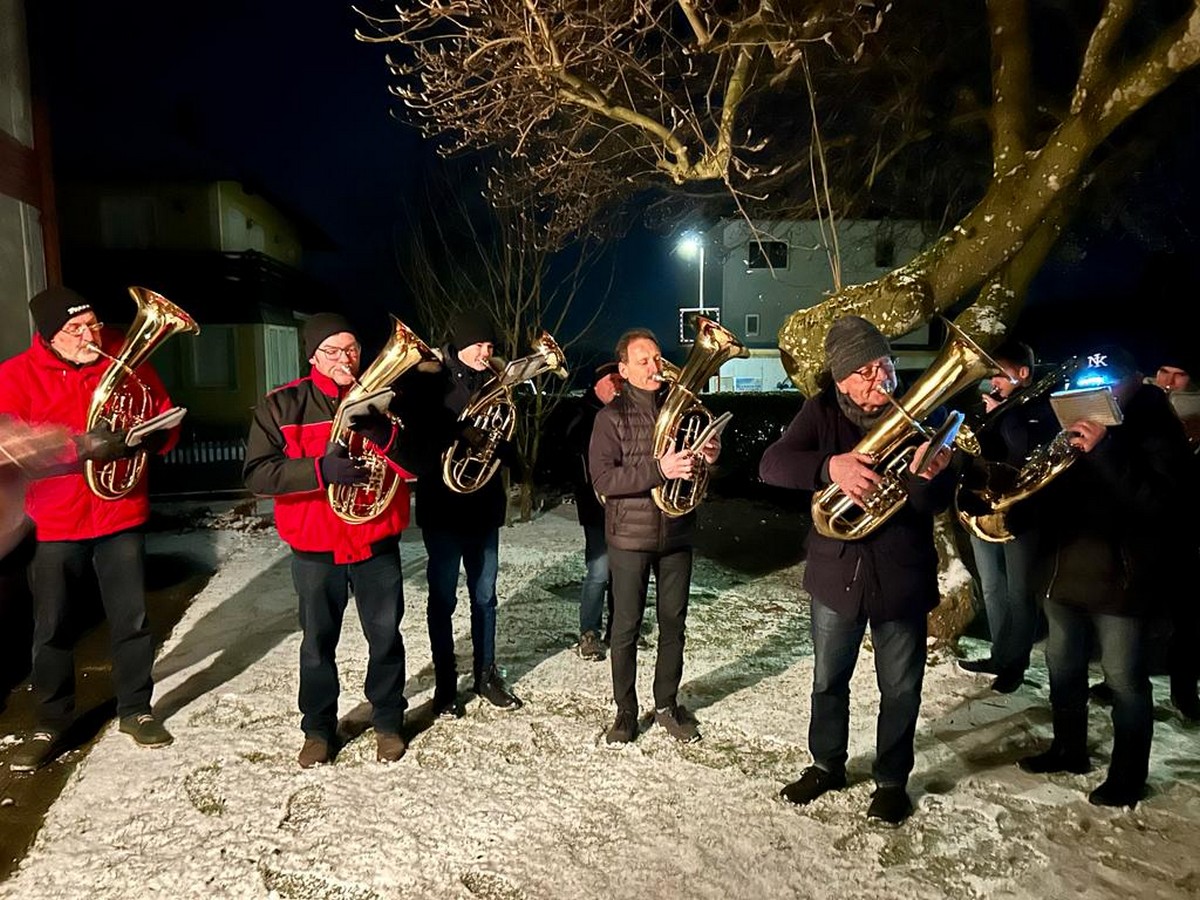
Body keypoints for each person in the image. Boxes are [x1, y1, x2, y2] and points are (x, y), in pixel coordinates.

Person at [758, 315, 956, 825]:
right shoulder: (820, 411)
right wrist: (831, 467)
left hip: (902, 577)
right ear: (842, 377)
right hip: (836, 577)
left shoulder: (920, 414)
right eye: (865, 371)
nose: (879, 380)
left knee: (901, 688)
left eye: (884, 366)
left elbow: (935, 502)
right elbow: (772, 465)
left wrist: (928, 476)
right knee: (828, 680)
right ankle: (826, 764)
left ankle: (892, 780)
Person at [0, 287, 180, 772]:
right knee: (53, 627)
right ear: (48, 334)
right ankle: (50, 720)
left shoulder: (124, 361)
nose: (90, 335)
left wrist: (160, 434)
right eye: (75, 329)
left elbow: (159, 411)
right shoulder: (14, 376)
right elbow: (10, 450)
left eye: (94, 324)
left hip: (120, 513)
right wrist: (81, 448)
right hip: (54, 520)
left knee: (132, 620)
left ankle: (136, 709)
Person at [1017, 346, 1194, 807]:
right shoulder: (1075, 414)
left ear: (1135, 379)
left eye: (1111, 379)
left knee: (1124, 679)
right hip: (1063, 565)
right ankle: (1068, 748)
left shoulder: (1155, 420)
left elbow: (1161, 503)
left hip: (1120, 575)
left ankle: (1128, 775)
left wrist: (1106, 451)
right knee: (1063, 664)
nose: (1100, 389)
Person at [244, 312, 412, 767]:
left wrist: (386, 436)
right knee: (317, 643)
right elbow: (258, 474)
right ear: (314, 355)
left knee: (385, 636)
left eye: (353, 349)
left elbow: (414, 464)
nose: (346, 359)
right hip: (316, 547)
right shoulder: (282, 405)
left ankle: (388, 721)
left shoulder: (384, 403)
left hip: (375, 541)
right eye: (334, 351)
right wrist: (320, 470)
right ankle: (318, 729)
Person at [588, 328, 720, 745]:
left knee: (673, 626)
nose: (654, 366)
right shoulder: (609, 417)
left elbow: (694, 468)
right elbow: (604, 479)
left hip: (677, 533)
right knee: (625, 628)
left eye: (657, 357)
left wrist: (707, 459)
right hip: (629, 537)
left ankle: (666, 704)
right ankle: (625, 711)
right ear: (624, 370)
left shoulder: (684, 412)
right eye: (643, 361)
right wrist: (660, 470)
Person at [414, 311, 522, 718]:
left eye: (491, 346)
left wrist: (506, 450)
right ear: (460, 343)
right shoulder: (430, 378)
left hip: (484, 507)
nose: (485, 352)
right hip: (443, 508)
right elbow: (419, 431)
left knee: (486, 597)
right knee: (443, 600)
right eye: (479, 344)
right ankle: (445, 685)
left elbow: (503, 431)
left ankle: (485, 674)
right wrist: (459, 432)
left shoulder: (497, 382)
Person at [957, 339, 1058, 693]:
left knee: (1019, 594)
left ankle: (1016, 664)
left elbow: (1020, 453)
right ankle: (1001, 654)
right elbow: (972, 454)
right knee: (993, 588)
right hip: (983, 510)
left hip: (1022, 517)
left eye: (999, 374)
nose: (992, 382)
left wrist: (1003, 413)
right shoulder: (988, 407)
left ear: (1023, 374)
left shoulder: (1041, 409)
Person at [564, 361, 623, 660]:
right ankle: (589, 631)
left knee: (623, 572)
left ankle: (620, 630)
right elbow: (573, 450)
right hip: (595, 506)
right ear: (597, 384)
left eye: (619, 379)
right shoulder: (581, 412)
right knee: (599, 570)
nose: (616, 385)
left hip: (624, 505)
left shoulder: (626, 409)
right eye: (610, 380)